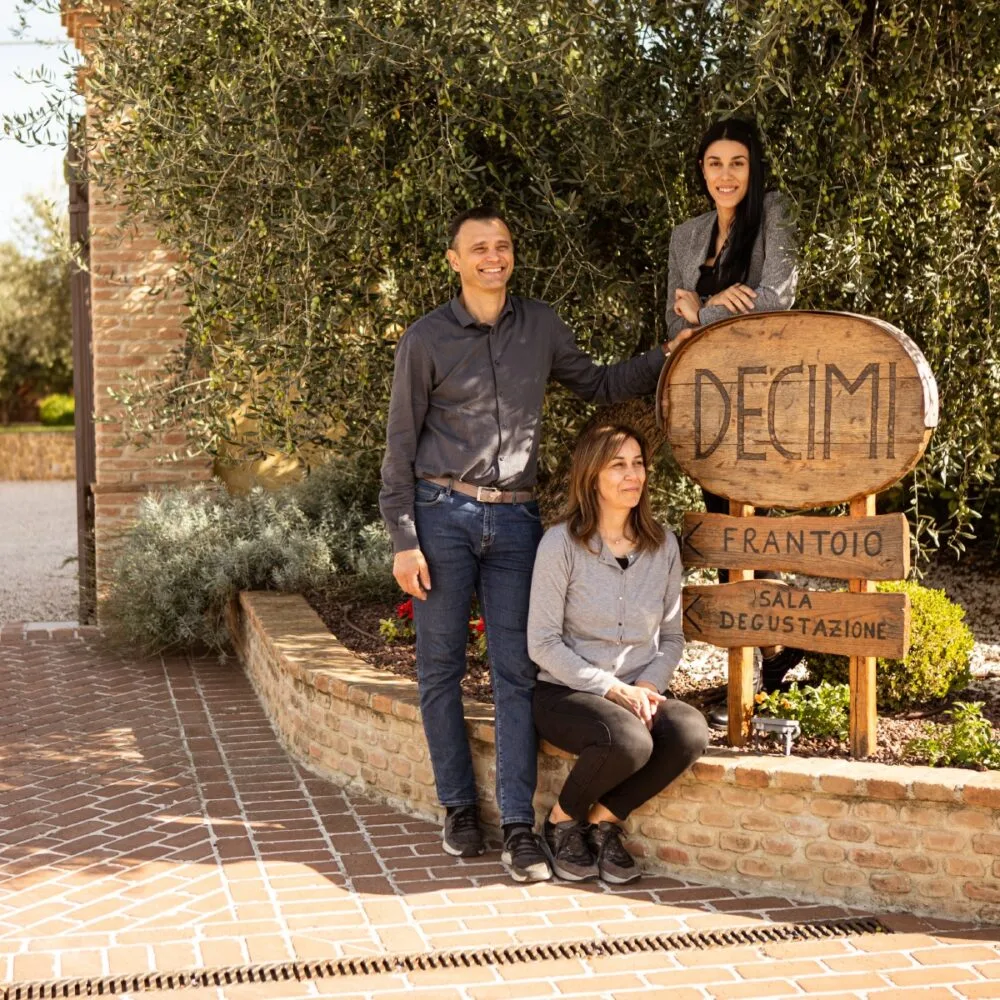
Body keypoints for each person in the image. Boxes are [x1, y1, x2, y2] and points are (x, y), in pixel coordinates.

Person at [379, 206, 692, 882]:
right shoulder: (425, 339)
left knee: (517, 672)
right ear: (454, 260)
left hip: (516, 520)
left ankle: (520, 824)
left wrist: (664, 357)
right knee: (440, 670)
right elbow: (400, 447)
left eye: (504, 245)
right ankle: (459, 807)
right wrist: (404, 538)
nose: (494, 257)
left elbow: (599, 385)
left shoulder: (540, 326)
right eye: (479, 248)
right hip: (441, 516)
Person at [665, 117, 803, 726]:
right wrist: (712, 309)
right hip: (709, 402)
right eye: (715, 163)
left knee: (757, 523)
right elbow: (674, 332)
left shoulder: (774, 213)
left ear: (754, 168)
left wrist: (707, 305)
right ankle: (770, 656)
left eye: (738, 162)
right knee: (726, 527)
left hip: (765, 399)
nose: (726, 174)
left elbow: (776, 298)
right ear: (702, 170)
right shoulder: (686, 235)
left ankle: (778, 648)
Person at [527, 423, 709, 883]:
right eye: (618, 465)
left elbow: (671, 638)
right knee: (629, 740)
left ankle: (603, 820)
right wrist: (613, 690)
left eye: (639, 464)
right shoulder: (560, 545)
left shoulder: (662, 545)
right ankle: (560, 822)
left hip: (637, 690)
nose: (634, 475)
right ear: (592, 477)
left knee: (689, 730)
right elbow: (542, 643)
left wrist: (646, 687)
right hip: (566, 692)